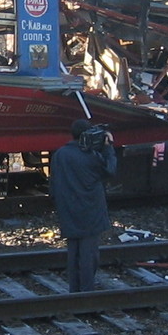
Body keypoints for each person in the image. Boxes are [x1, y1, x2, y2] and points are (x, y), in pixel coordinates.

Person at [50, 119, 118, 292]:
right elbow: (110, 169)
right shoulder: (90, 156)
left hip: (68, 209)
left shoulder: (60, 154)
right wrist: (108, 147)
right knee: (89, 254)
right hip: (90, 209)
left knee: (73, 253)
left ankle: (75, 289)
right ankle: (86, 290)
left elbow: (53, 184)